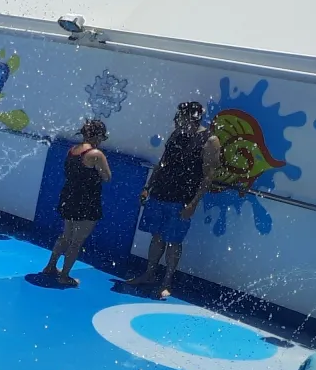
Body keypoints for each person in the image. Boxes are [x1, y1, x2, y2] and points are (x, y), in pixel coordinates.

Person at [126, 101, 221, 299]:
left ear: (192, 118)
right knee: (157, 237)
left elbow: (208, 175)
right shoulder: (177, 134)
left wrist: (193, 203)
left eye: (181, 117)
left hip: (182, 199)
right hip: (160, 193)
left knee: (174, 241)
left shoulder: (210, 140)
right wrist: (148, 187)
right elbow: (163, 162)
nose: (177, 120)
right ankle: (149, 274)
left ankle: (167, 281)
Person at [38, 119, 112, 287]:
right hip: (86, 201)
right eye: (102, 137)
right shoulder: (96, 154)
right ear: (97, 136)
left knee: (65, 235)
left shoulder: (72, 150)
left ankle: (50, 266)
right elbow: (107, 177)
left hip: (70, 197)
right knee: (76, 241)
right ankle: (64, 276)